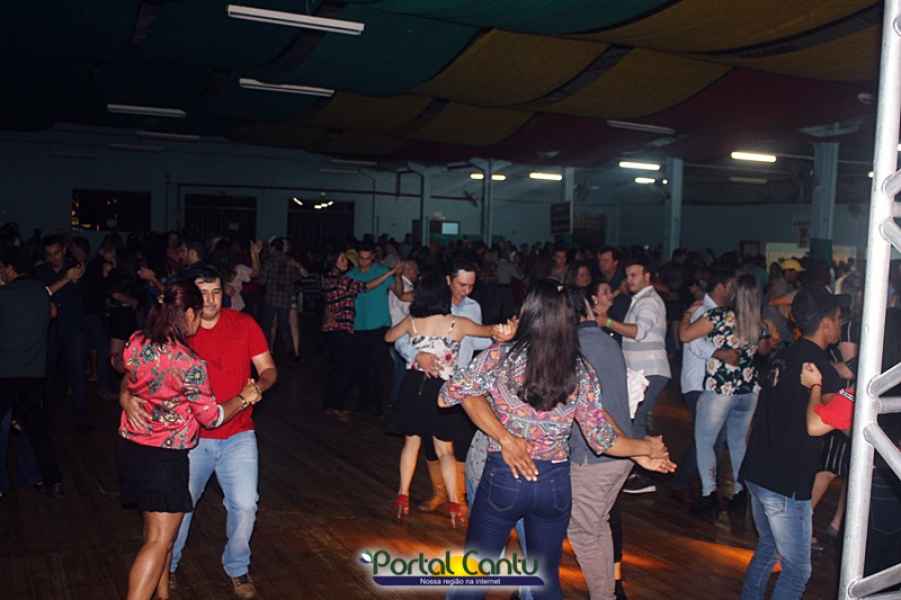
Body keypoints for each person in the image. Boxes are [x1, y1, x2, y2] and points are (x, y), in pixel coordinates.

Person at [441, 280, 675, 600]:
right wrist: (643, 447)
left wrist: (506, 438)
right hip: (553, 484)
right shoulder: (580, 369)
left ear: (528, 312)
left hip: (505, 477)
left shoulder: (503, 356)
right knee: (544, 580)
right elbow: (601, 439)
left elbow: (448, 395)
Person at [121, 265, 277, 600]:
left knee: (162, 533)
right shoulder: (186, 356)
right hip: (180, 448)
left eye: (217, 292)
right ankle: (165, 572)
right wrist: (244, 397)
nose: (210, 300)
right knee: (162, 537)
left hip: (142, 450)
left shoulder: (140, 340)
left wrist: (126, 395)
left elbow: (131, 369)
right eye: (202, 294)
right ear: (188, 306)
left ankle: (219, 572)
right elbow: (211, 417)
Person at [739, 287, 844, 600]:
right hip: (786, 481)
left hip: (757, 469)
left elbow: (761, 413)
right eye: (839, 318)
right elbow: (820, 424)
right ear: (826, 323)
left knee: (768, 548)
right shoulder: (822, 369)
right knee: (797, 571)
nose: (841, 325)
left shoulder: (782, 355)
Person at [385, 270, 512, 527]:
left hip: (414, 386)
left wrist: (417, 348)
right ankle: (455, 503)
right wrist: (505, 330)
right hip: (442, 390)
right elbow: (487, 331)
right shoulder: (457, 323)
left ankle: (402, 496)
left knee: (411, 443)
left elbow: (389, 337)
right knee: (445, 450)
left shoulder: (413, 320)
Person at [395, 258, 492, 514]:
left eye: (471, 285)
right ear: (449, 280)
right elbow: (401, 338)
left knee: (455, 441)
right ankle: (440, 494)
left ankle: (457, 498)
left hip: (458, 381)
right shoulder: (430, 302)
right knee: (430, 443)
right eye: (462, 284)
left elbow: (482, 341)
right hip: (427, 381)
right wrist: (416, 354)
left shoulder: (473, 307)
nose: (466, 290)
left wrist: (468, 337)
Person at [680, 274, 771, 517]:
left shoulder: (719, 316)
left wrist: (688, 314)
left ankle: (709, 493)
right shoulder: (759, 323)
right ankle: (741, 492)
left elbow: (685, 336)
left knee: (705, 442)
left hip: (721, 389)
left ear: (734, 293)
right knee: (738, 442)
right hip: (747, 391)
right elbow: (764, 350)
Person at [0, 247, 64, 498]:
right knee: (37, 431)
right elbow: (53, 313)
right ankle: (52, 480)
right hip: (34, 373)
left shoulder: (5, 294)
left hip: (5, 372)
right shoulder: (40, 292)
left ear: (10, 268)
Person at [604, 258, 671, 494]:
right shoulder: (641, 300)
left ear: (647, 277)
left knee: (636, 421)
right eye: (628, 275)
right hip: (644, 371)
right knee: (634, 420)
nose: (629, 280)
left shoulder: (649, 301)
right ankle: (641, 470)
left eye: (634, 275)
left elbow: (639, 332)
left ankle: (643, 474)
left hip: (650, 370)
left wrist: (607, 321)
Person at [671, 270, 734, 499]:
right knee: (710, 438)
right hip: (699, 383)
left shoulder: (716, 312)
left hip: (707, 384)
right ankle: (689, 484)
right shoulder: (702, 310)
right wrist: (721, 354)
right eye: (731, 286)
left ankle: (693, 485)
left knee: (709, 438)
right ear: (721, 287)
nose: (734, 292)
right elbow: (693, 342)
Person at [320, 253, 399, 421]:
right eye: (341, 259)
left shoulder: (330, 279)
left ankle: (331, 405)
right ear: (333, 263)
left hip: (337, 329)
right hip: (341, 329)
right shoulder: (342, 280)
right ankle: (337, 406)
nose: (346, 261)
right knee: (344, 370)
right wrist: (389, 273)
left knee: (338, 368)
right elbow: (365, 287)